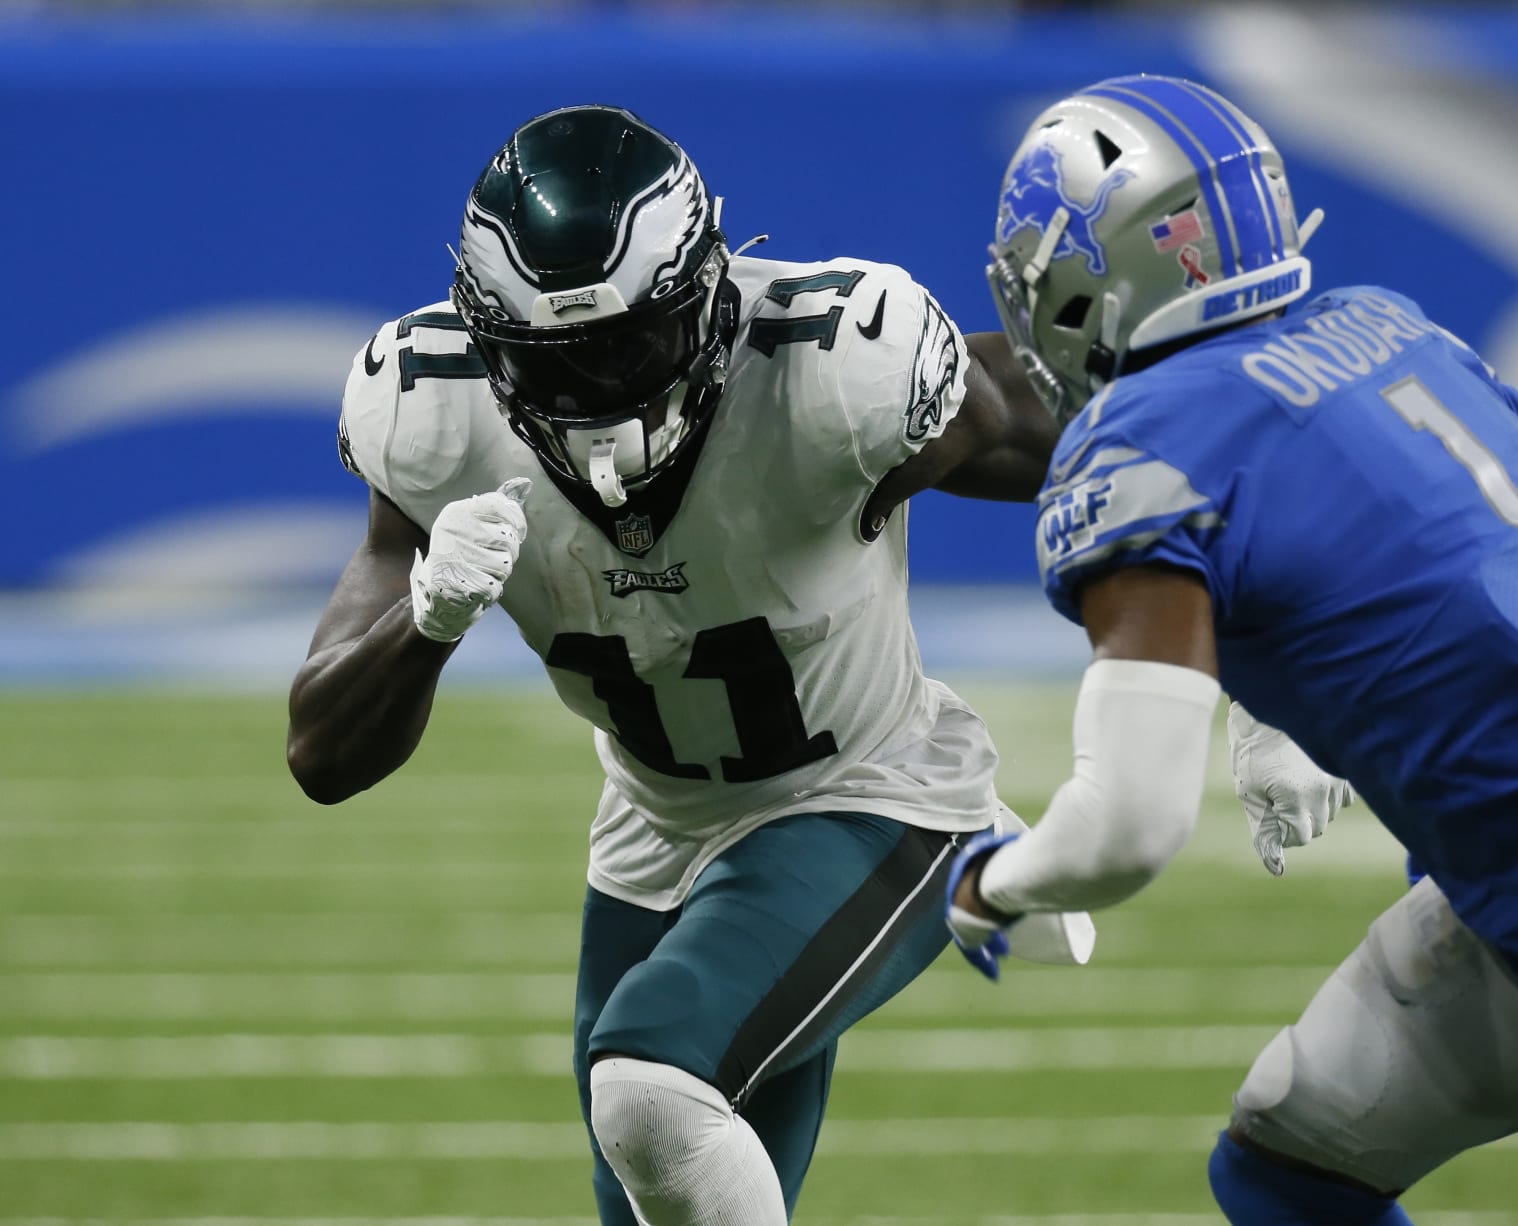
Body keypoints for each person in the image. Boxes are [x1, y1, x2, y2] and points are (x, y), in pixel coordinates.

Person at [945, 73, 1518, 1224]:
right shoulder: (1381, 327)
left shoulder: (1136, 447)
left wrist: (988, 882)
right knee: (1288, 1166)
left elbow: (1127, 823)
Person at [286, 103, 1089, 1226]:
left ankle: (969, 847)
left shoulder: (834, 372)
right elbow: (321, 754)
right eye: (560, 363)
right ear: (489, 343)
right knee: (649, 1169)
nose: (605, 390)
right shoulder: (433, 413)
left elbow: (1095, 445)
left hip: (867, 786)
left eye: (634, 343)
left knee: (652, 1084)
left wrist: (1247, 610)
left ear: (708, 293)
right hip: (655, 824)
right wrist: (428, 618)